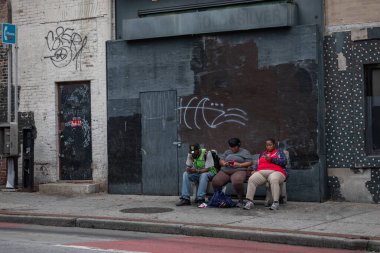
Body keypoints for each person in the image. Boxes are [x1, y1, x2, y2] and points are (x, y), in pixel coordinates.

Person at [243, 138, 288, 211]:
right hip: (262, 172)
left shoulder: (279, 152)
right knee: (252, 179)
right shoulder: (263, 153)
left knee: (274, 179)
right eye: (267, 145)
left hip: (276, 171)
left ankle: (275, 202)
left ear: (274, 145)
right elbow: (259, 164)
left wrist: (271, 159)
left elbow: (284, 162)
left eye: (270, 145)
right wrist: (253, 168)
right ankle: (250, 201)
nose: (268, 147)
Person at [211, 138, 253, 207]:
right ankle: (218, 198)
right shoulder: (227, 152)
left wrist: (239, 164)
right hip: (226, 170)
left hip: (239, 170)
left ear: (238, 145)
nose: (232, 148)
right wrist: (225, 163)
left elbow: (250, 162)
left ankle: (240, 200)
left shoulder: (245, 152)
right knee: (216, 181)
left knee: (237, 181)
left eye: (234, 147)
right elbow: (221, 160)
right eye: (231, 147)